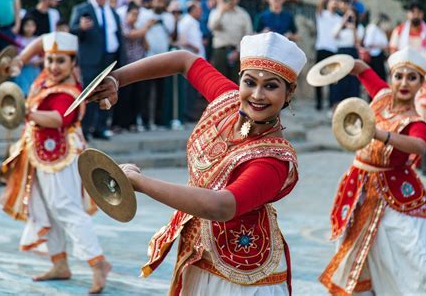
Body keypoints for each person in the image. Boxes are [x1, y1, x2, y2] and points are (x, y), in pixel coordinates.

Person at [87, 32, 306, 295]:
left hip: (242, 280)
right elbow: (184, 60)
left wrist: (140, 182)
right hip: (200, 256)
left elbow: (221, 205)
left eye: (271, 86)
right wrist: (116, 79)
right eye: (250, 82)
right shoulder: (227, 101)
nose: (257, 95)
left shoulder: (272, 160)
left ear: (289, 92)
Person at [319, 47, 426, 295]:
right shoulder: (382, 96)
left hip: (393, 192)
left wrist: (379, 134)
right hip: (360, 184)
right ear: (392, 77)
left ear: (420, 84)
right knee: (357, 243)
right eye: (399, 76)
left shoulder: (415, 121)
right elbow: (361, 68)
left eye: (412, 78)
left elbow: (419, 146)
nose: (404, 83)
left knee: (409, 249)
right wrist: (337, 68)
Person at [0, 32, 111, 294]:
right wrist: (20, 59)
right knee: (46, 210)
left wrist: (25, 112)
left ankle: (98, 263)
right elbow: (41, 42)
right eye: (49, 60)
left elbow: (60, 118)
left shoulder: (70, 90)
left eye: (60, 61)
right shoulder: (45, 79)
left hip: (60, 157)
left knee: (66, 208)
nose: (53, 66)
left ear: (73, 63)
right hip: (38, 154)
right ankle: (59, 264)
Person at [70, 0, 125, 140]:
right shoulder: (82, 9)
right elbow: (72, 31)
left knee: (106, 92)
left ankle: (101, 128)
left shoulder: (112, 12)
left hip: (110, 58)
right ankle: (85, 129)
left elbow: (117, 35)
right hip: (90, 60)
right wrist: (81, 28)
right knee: (89, 95)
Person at [135, 0, 175, 129]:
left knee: (161, 92)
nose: (160, 3)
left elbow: (171, 34)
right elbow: (140, 32)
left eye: (162, 1)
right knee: (145, 92)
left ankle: (159, 121)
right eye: (157, 0)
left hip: (164, 59)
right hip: (147, 58)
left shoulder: (169, 17)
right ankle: (144, 121)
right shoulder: (144, 14)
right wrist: (148, 27)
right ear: (152, 1)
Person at [112, 2, 150, 133]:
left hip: (139, 67)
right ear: (127, 14)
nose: (135, 17)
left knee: (137, 96)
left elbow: (147, 47)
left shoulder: (139, 28)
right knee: (124, 97)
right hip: (126, 67)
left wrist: (143, 33)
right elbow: (130, 35)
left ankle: (131, 123)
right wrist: (146, 28)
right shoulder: (123, 25)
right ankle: (119, 124)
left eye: (137, 15)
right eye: (133, 14)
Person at [208, 0, 253, 83]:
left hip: (237, 52)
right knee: (219, 82)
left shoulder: (243, 14)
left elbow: (248, 35)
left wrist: (238, 51)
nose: (229, 0)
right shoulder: (216, 12)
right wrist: (221, 11)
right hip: (220, 51)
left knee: (235, 83)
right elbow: (211, 27)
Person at [314, 0, 341, 111]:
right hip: (321, 49)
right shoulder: (322, 14)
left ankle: (331, 103)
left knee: (332, 79)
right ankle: (318, 103)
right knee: (318, 77)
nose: (335, 3)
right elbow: (319, 3)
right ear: (328, 3)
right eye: (333, 1)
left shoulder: (339, 19)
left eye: (337, 1)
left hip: (333, 51)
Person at [330, 7, 364, 109]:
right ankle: (335, 107)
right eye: (348, 15)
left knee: (352, 81)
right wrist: (343, 22)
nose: (350, 18)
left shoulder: (360, 27)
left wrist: (353, 28)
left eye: (352, 16)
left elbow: (357, 42)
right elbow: (334, 35)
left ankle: (352, 106)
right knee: (338, 81)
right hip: (340, 53)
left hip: (352, 53)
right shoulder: (340, 25)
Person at [13, 16, 41, 96]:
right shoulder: (18, 39)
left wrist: (38, 61)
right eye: (27, 25)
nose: (30, 28)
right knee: (23, 92)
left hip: (34, 70)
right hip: (23, 71)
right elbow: (16, 55)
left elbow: (43, 57)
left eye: (32, 25)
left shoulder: (37, 40)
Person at [363, 13, 390, 81]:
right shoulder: (372, 28)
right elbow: (368, 43)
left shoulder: (381, 31)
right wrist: (381, 46)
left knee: (382, 77)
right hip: (373, 56)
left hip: (380, 56)